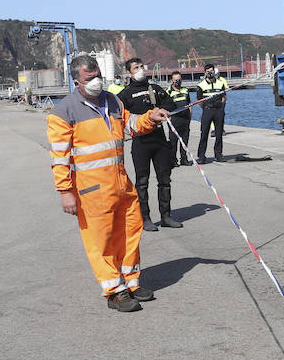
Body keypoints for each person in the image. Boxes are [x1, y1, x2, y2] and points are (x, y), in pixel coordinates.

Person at [48, 54, 170, 312]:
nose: (96, 82)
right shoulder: (63, 112)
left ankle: (131, 282)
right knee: (100, 241)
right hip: (92, 191)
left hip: (121, 184)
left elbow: (132, 125)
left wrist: (151, 117)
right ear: (76, 81)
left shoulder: (113, 101)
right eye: (89, 79)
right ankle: (114, 291)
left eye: (98, 77)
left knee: (130, 231)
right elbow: (60, 158)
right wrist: (65, 192)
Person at [117, 57, 184, 232]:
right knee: (142, 182)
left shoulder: (154, 88)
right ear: (128, 73)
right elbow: (118, 115)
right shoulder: (125, 94)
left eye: (141, 66)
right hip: (141, 142)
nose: (140, 69)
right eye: (135, 68)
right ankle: (145, 218)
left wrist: (163, 110)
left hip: (159, 139)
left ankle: (166, 216)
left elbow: (170, 102)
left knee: (164, 180)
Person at [196, 63, 229, 163]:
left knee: (219, 134)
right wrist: (206, 107)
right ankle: (201, 157)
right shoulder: (201, 85)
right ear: (205, 73)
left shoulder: (220, 83)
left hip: (218, 110)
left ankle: (218, 155)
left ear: (215, 72)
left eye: (212, 71)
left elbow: (224, 97)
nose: (210, 73)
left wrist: (221, 106)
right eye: (208, 72)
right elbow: (199, 100)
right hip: (207, 110)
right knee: (204, 134)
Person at [166, 70, 194, 166]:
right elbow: (165, 107)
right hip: (174, 120)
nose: (178, 82)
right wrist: (168, 118)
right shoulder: (168, 92)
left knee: (185, 141)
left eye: (179, 80)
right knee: (173, 142)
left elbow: (189, 104)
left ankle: (184, 159)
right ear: (172, 81)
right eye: (176, 80)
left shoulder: (185, 90)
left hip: (185, 119)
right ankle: (173, 160)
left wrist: (190, 115)